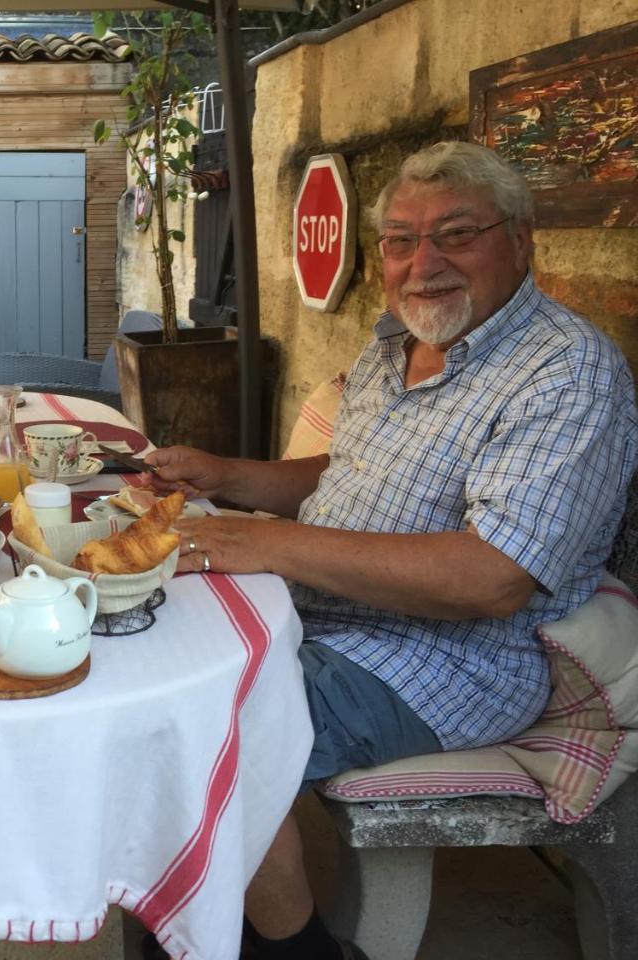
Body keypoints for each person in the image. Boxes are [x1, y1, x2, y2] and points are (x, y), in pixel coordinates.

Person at [144, 142, 637, 960]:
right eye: (402, 241)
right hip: (319, 617)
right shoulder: (391, 346)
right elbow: (346, 476)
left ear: (521, 240)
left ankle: (295, 949)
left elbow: (494, 577)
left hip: (445, 662)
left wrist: (271, 545)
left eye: (457, 234)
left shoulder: (566, 371)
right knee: (150, 651)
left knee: (189, 721)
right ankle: (192, 917)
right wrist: (226, 476)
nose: (424, 263)